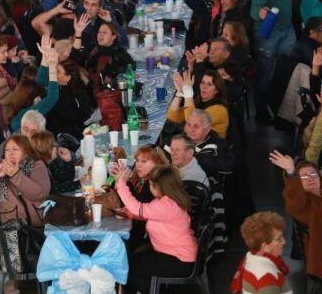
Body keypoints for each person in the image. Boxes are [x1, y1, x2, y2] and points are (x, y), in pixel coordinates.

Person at [0, 134, 49, 291]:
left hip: (33, 228)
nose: (10, 153)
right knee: (8, 239)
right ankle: (12, 283)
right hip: (8, 229)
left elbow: (40, 193)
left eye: (15, 149)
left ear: (26, 152)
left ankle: (16, 282)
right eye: (7, 149)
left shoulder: (37, 166)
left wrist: (16, 175)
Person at [113, 164, 197, 294]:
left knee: (128, 268)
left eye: (151, 185)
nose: (149, 187)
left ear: (159, 187)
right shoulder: (169, 201)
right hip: (174, 254)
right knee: (129, 262)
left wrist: (121, 183)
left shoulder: (167, 206)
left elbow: (138, 208)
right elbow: (149, 214)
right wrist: (129, 213)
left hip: (179, 260)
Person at [251, 0, 296, 122]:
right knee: (265, 73)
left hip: (287, 28)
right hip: (268, 34)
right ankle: (261, 112)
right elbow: (254, 8)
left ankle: (278, 104)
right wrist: (261, 12)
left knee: (284, 69)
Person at [269, 151, 322, 291]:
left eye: (313, 175)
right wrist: (291, 173)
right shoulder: (306, 205)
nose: (310, 178)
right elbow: (294, 202)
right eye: (304, 177)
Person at [231, 211, 291, 293]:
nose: (284, 242)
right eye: (279, 239)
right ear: (264, 245)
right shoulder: (267, 277)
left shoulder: (250, 257)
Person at [168, 69, 230, 138]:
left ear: (217, 90)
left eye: (209, 84)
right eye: (202, 83)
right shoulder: (197, 103)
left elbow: (192, 122)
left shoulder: (219, 110)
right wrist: (180, 92)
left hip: (209, 147)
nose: (204, 86)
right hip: (194, 144)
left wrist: (188, 91)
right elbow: (172, 116)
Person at [46, 60, 94, 140]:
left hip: (70, 140)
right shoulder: (78, 91)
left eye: (58, 71)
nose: (53, 73)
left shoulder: (64, 96)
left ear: (67, 78)